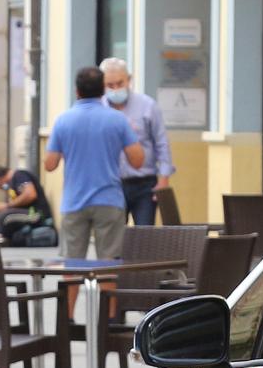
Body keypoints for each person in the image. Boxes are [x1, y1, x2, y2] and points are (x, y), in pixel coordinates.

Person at [44, 66, 144, 258]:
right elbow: (138, 161)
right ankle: (106, 289)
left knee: (72, 265)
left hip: (74, 200)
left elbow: (50, 164)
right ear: (103, 90)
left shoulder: (63, 121)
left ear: (77, 91)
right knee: (108, 264)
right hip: (109, 198)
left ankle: (73, 289)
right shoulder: (118, 120)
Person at [99, 57, 175, 225]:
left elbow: (161, 143)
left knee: (145, 237)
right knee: (114, 240)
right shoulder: (98, 109)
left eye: (120, 83)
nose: (116, 89)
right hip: (111, 184)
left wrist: (163, 180)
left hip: (144, 184)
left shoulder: (147, 105)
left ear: (129, 80)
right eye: (110, 85)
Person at [0, 165, 56, 245]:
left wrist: (7, 206)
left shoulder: (19, 175)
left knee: (2, 217)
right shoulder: (12, 184)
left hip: (36, 214)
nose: (0, 188)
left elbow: (30, 194)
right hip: (28, 214)